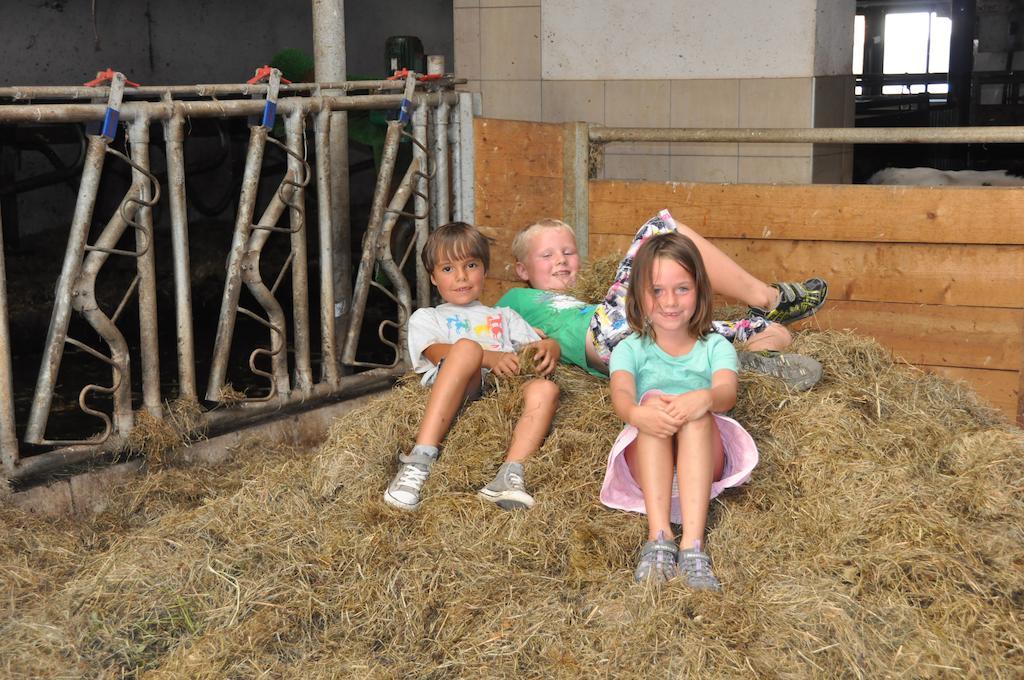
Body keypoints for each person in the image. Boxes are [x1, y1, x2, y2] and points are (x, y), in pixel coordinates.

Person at [497, 211, 826, 389]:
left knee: (772, 332)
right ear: (522, 269)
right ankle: (769, 297)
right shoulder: (516, 298)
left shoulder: (586, 299)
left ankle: (747, 365)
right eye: (547, 255)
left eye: (569, 252)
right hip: (612, 333)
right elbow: (486, 330)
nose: (561, 261)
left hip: (656, 335)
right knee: (661, 227)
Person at [604, 232, 759, 589]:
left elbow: (726, 392)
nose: (669, 301)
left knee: (698, 415)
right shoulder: (630, 349)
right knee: (652, 408)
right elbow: (622, 395)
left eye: (682, 289)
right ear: (639, 297)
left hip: (704, 460)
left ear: (700, 291)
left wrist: (703, 398)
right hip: (650, 462)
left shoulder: (715, 346)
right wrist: (637, 413)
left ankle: (692, 545)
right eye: (657, 290)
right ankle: (659, 537)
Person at [385, 222, 562, 512]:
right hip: (457, 387)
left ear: (485, 268)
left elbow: (533, 346)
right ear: (433, 277)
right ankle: (420, 459)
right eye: (447, 269)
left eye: (470, 265)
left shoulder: (504, 316)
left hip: (500, 390)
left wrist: (551, 346)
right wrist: (489, 357)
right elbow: (437, 353)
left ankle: (510, 473)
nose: (461, 277)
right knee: (467, 348)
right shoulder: (428, 317)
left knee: (546, 388)